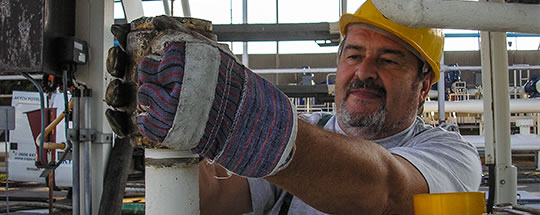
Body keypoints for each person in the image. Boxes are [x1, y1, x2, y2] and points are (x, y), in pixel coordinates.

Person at [107, 0, 482, 214]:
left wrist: (249, 123)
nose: (364, 72)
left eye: (389, 60)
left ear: (423, 87)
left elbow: (385, 190)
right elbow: (219, 198)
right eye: (353, 55)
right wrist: (170, 133)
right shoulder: (310, 128)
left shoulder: (450, 154)